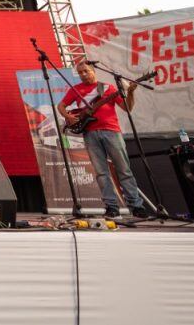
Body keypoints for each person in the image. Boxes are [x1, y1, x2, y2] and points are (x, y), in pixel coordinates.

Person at [57, 60, 149, 219]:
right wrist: (68, 117)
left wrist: (131, 92)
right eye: (80, 73)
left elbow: (127, 108)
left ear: (93, 70)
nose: (83, 75)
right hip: (90, 133)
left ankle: (136, 206)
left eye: (86, 71)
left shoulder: (107, 88)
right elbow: (61, 106)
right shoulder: (76, 90)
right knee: (101, 172)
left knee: (123, 169)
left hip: (112, 131)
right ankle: (111, 206)